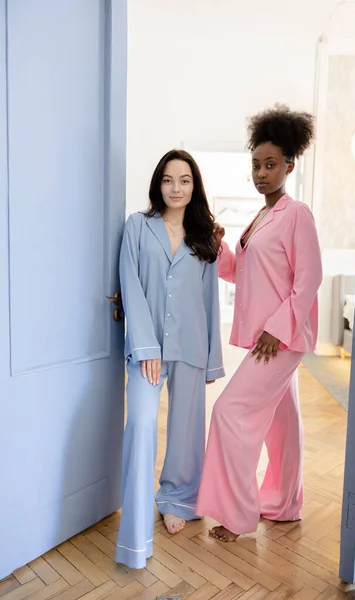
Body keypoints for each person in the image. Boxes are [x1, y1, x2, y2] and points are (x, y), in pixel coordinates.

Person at [196, 104, 323, 542]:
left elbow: (309, 280)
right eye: (256, 165)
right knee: (282, 424)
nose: (261, 173)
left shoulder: (297, 214)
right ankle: (285, 504)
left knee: (230, 412)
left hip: (280, 339)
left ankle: (235, 514)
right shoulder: (260, 218)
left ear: (289, 164)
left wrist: (278, 327)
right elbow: (241, 273)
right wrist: (220, 249)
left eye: (271, 165)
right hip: (270, 337)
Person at [115, 149, 225, 569]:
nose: (175, 188)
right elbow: (131, 285)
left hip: (192, 345)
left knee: (186, 430)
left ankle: (177, 498)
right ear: (157, 184)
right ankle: (138, 518)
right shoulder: (137, 228)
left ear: (194, 186)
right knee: (142, 423)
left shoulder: (205, 237)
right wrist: (145, 346)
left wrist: (213, 360)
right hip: (147, 349)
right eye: (168, 179)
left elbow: (209, 299)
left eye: (184, 180)